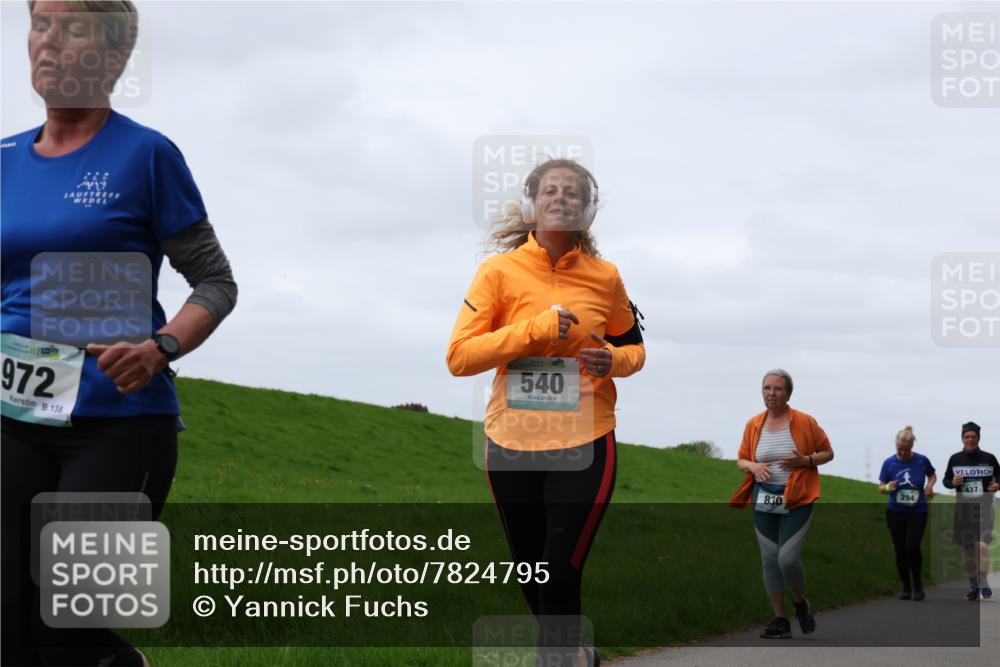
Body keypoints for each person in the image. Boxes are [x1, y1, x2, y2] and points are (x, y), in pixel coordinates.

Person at [1, 2, 237, 665]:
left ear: (114, 58)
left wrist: (161, 347)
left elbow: (216, 282)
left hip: (117, 422)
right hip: (12, 419)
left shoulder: (146, 155)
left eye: (71, 28)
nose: (48, 41)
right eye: (40, 23)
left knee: (68, 625)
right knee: (6, 623)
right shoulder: (4, 159)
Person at [447, 159, 645, 666]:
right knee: (531, 571)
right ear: (534, 202)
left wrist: (612, 361)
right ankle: (577, 655)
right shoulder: (498, 272)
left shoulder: (606, 277)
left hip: (586, 439)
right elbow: (460, 357)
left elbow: (634, 350)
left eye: (573, 193)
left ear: (587, 209)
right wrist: (534, 330)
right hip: (512, 441)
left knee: (560, 569)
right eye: (551, 191)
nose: (562, 198)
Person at [729, 369, 834, 639]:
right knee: (769, 560)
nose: (771, 393)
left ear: (788, 394)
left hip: (797, 497)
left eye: (777, 389)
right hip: (763, 497)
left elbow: (827, 453)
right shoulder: (754, 424)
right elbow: (741, 459)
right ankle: (779, 620)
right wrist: (752, 466)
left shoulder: (804, 422)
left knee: (787, 559)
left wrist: (806, 460)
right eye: (767, 388)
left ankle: (800, 603)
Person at [878, 425, 936, 600]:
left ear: (912, 447)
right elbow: (881, 487)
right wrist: (889, 486)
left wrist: (929, 486)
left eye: (905, 450)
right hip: (895, 512)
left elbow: (932, 475)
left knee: (912, 546)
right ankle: (906, 587)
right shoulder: (889, 463)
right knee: (900, 550)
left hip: (917, 511)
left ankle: (918, 585)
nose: (902, 453)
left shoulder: (921, 460)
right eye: (899, 449)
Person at [942, 421, 998, 601]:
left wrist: (997, 485)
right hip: (964, 509)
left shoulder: (989, 458)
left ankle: (983, 581)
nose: (970, 440)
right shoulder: (955, 459)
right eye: (967, 437)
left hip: (985, 507)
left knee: (981, 545)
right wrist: (953, 483)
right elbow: (946, 480)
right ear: (962, 438)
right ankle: (973, 584)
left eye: (973, 437)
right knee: (967, 549)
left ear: (978, 438)